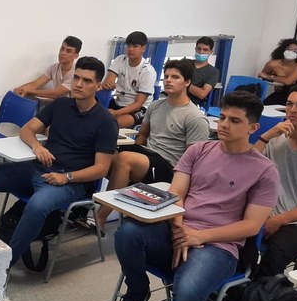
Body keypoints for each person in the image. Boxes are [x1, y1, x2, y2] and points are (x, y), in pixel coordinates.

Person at [114, 91, 279, 301]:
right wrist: (180, 227)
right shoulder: (199, 150)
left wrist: (199, 237)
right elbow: (176, 194)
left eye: (235, 121)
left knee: (188, 289)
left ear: (253, 128)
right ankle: (137, 289)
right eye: (223, 117)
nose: (224, 125)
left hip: (219, 245)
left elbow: (251, 226)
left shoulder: (265, 171)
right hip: (179, 229)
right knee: (127, 232)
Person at [0, 57, 118, 266]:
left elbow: (101, 168)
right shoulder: (61, 105)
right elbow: (27, 129)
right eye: (76, 78)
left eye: (87, 81)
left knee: (37, 205)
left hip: (71, 182)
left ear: (98, 86)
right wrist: (37, 147)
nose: (78, 84)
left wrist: (67, 177)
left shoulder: (106, 122)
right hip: (39, 168)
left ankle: (3, 265)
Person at [94, 59, 209, 234]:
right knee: (107, 153)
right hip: (148, 156)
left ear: (187, 82)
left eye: (175, 77)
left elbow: (193, 160)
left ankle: (99, 218)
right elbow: (142, 136)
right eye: (167, 76)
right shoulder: (155, 106)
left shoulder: (194, 117)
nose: (169, 80)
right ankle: (95, 203)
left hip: (169, 167)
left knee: (125, 159)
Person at [252, 84, 297, 276]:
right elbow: (245, 167)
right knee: (232, 238)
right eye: (289, 104)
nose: (292, 110)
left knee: (276, 253)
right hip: (265, 213)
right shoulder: (274, 141)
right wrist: (266, 136)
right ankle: (238, 287)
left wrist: (279, 220)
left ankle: (263, 292)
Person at [102, 31, 156, 129]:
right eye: (129, 46)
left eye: (135, 46)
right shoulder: (120, 60)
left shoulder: (148, 71)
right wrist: (108, 84)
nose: (130, 49)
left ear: (143, 48)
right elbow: (108, 81)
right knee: (95, 117)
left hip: (139, 108)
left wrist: (116, 113)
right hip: (118, 102)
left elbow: (138, 104)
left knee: (115, 123)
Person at [14, 36, 82, 100]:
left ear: (76, 56)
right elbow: (36, 84)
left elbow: (56, 93)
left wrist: (28, 91)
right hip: (58, 103)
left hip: (72, 106)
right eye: (62, 48)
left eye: (68, 51)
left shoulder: (76, 74)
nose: (62, 53)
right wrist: (19, 90)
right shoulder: (54, 67)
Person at [259, 38, 297, 105]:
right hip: (279, 94)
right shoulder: (272, 64)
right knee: (263, 106)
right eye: (289, 49)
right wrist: (275, 81)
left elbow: (288, 81)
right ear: (283, 49)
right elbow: (261, 77)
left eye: (295, 50)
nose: (291, 51)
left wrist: (270, 77)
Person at [188, 36, 220, 109]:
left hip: (190, 104)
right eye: (199, 49)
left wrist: (184, 84)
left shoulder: (213, 72)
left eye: (205, 50)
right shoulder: (184, 63)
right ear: (195, 49)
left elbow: (202, 94)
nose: (201, 52)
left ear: (210, 52)